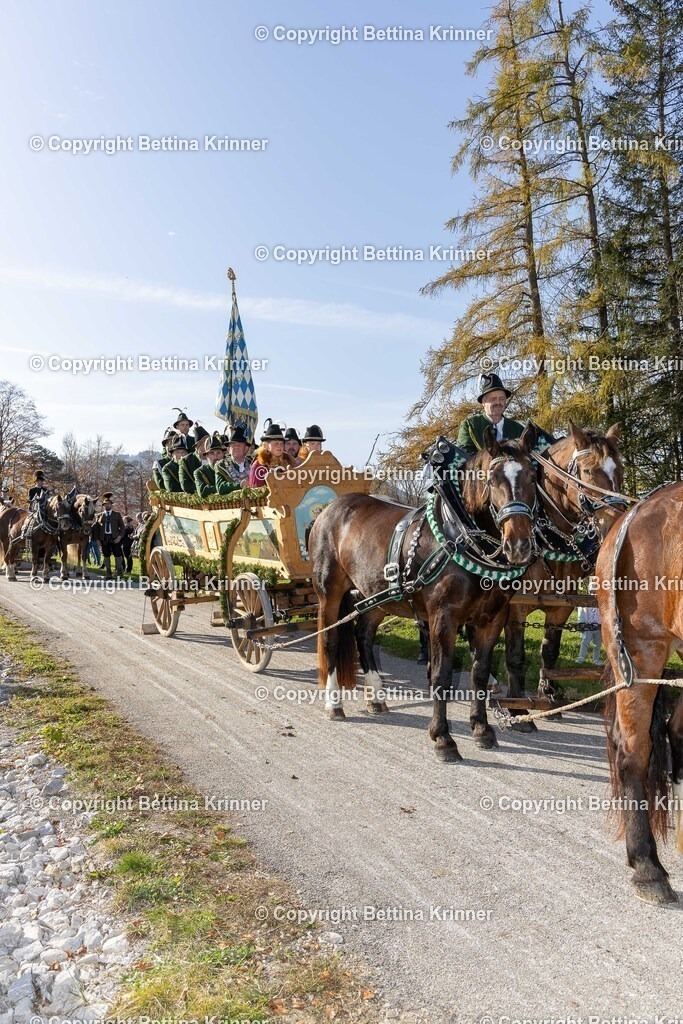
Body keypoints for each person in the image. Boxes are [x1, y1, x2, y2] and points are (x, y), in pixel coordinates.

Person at [456, 372, 556, 454]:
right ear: (483, 402)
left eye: (502, 399)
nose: (498, 402)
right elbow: (465, 456)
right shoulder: (469, 425)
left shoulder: (518, 429)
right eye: (493, 399)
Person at [248, 420, 298, 487]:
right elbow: (256, 489)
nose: (279, 446)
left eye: (281, 443)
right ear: (266, 445)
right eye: (276, 443)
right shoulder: (259, 465)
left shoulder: (290, 461)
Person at [96, 492, 125, 579]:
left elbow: (122, 527)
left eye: (109, 504)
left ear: (111, 505)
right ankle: (108, 573)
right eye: (105, 504)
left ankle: (119, 573)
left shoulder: (117, 514)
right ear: (103, 506)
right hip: (104, 538)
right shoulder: (100, 516)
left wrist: (120, 537)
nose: (107, 505)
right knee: (106, 555)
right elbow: (96, 528)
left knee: (118, 554)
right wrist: (97, 539)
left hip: (115, 537)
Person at [194, 432, 230, 499]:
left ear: (223, 454)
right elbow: (202, 491)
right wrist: (223, 488)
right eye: (212, 453)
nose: (216, 457)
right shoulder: (199, 472)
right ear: (206, 456)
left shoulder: (229, 467)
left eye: (218, 453)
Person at [178, 424, 211, 494]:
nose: (207, 447)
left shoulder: (216, 456)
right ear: (197, 447)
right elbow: (185, 486)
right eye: (204, 444)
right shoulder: (186, 461)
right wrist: (207, 487)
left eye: (209, 443)